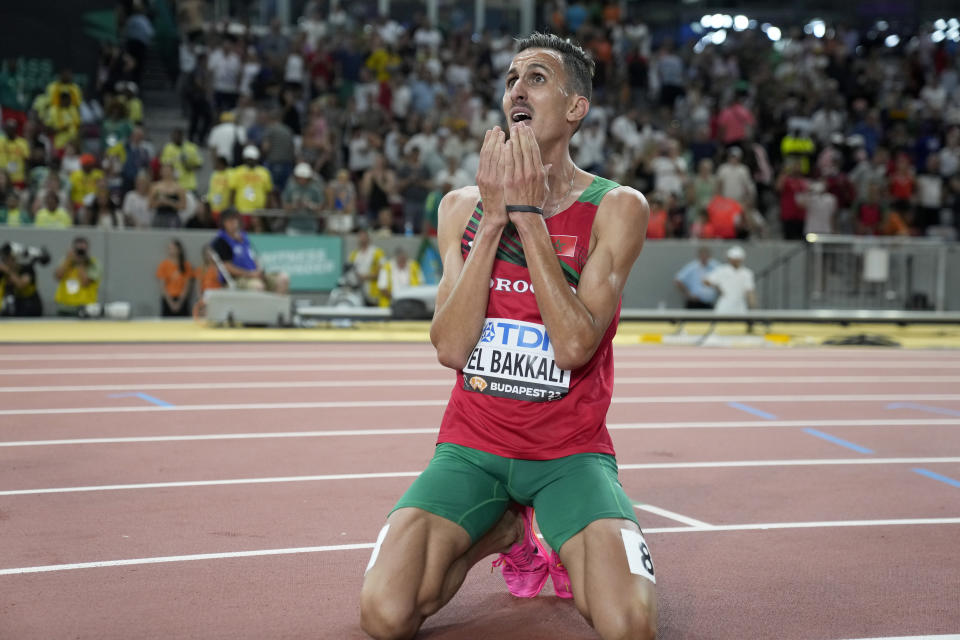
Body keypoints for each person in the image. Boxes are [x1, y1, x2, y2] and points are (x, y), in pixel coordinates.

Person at [360, 33, 656, 640]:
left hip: (569, 456)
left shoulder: (616, 207)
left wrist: (528, 215)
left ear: (576, 108)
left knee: (629, 626)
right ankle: (505, 530)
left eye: (537, 78)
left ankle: (552, 527)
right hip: (472, 447)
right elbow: (449, 348)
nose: (516, 89)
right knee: (384, 617)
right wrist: (495, 220)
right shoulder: (459, 207)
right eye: (511, 78)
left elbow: (575, 347)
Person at [211, 209, 289, 293]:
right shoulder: (221, 241)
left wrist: (259, 270)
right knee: (258, 286)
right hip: (238, 279)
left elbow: (254, 257)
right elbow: (227, 267)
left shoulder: (244, 237)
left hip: (254, 274)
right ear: (223, 223)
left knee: (283, 278)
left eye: (235, 219)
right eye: (229, 220)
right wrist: (250, 274)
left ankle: (276, 306)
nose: (233, 222)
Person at [53, 236, 101, 316]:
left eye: (82, 250)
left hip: (85, 308)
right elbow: (58, 276)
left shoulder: (94, 264)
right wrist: (68, 260)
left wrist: (80, 263)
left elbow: (85, 283)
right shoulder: (66, 261)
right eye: (78, 250)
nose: (80, 253)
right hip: (65, 307)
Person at [704, 245, 756, 313]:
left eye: (737, 258)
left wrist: (752, 307)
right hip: (724, 305)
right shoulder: (722, 270)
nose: (735, 260)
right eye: (733, 258)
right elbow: (706, 280)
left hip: (740, 307)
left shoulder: (747, 273)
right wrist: (718, 288)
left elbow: (750, 291)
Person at [0, 242, 43, 316]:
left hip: (30, 305)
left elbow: (21, 285)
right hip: (16, 304)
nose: (6, 261)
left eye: (8, 258)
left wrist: (8, 271)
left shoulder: (27, 269)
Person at [282, 162, 326, 234]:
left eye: (304, 178)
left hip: (310, 227)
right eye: (300, 177)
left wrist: (309, 205)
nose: (302, 180)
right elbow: (284, 206)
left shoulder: (315, 189)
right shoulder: (291, 188)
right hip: (293, 226)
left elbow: (321, 208)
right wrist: (294, 206)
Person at [155, 239, 194, 316]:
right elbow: (162, 286)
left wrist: (180, 302)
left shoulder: (186, 265)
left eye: (173, 248)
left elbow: (187, 286)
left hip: (182, 299)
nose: (171, 251)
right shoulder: (164, 265)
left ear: (179, 250)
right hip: (168, 299)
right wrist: (171, 303)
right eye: (169, 248)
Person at [347, 228, 385, 306]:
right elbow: (350, 273)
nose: (362, 239)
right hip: (358, 291)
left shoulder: (377, 252)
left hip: (373, 291)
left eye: (364, 236)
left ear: (369, 238)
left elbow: (382, 271)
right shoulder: (354, 254)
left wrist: (365, 276)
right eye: (360, 237)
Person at [150, 163, 187, 228]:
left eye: (168, 171)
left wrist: (169, 202)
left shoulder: (179, 187)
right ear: (161, 172)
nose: (166, 173)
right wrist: (160, 202)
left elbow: (183, 206)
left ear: (172, 172)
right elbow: (150, 205)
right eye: (164, 170)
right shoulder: (155, 187)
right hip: (159, 216)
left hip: (173, 216)